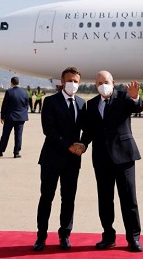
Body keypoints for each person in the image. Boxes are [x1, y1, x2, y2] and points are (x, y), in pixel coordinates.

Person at [80, 70, 143, 252]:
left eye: (106, 81)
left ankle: (133, 238)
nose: (103, 85)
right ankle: (108, 236)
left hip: (124, 157)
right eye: (99, 83)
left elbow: (137, 107)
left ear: (113, 82)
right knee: (105, 200)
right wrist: (83, 144)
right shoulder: (91, 105)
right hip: (101, 159)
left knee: (129, 199)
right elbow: (89, 131)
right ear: (95, 86)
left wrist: (135, 98)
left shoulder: (124, 97)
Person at [33, 67, 86, 251]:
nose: (73, 84)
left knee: (68, 199)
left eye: (76, 81)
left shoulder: (81, 103)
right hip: (51, 158)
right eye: (70, 80)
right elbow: (49, 130)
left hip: (72, 161)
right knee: (46, 197)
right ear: (62, 82)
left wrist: (82, 145)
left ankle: (65, 235)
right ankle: (41, 236)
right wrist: (68, 145)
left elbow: (85, 130)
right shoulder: (50, 101)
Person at [0, 77, 29, 158]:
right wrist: (23, 113)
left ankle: (0, 152)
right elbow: (26, 105)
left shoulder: (9, 92)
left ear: (11, 83)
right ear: (18, 83)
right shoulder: (24, 92)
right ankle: (16, 153)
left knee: (5, 135)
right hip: (21, 117)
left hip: (10, 117)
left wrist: (2, 116)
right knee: (18, 135)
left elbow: (4, 105)